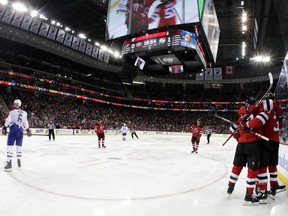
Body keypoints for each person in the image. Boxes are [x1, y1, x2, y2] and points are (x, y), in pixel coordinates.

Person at [244, 94, 286, 202]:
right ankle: (274, 186)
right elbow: (280, 126)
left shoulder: (267, 109)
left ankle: (262, 192)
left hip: (266, 141)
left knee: (262, 167)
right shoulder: (278, 110)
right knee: (272, 165)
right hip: (275, 141)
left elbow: (258, 121)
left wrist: (247, 124)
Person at [227, 102, 263, 205]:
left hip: (241, 146)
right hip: (253, 145)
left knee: (237, 167)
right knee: (252, 171)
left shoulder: (240, 119)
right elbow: (260, 123)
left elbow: (232, 130)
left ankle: (230, 186)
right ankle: (249, 195)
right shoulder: (256, 115)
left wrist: (239, 138)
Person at [2, 99, 32, 172]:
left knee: (10, 146)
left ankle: (9, 163)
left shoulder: (12, 112)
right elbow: (26, 123)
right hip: (21, 130)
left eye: (14, 103)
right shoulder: (24, 113)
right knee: (19, 146)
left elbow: (8, 120)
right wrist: (28, 130)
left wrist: (4, 127)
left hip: (13, 129)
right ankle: (19, 160)